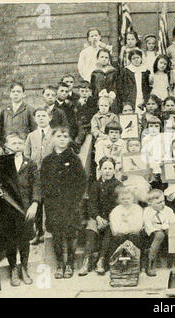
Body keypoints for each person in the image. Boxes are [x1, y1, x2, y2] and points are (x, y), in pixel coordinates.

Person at [40, 126, 86, 279]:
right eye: (59, 136)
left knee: (71, 234)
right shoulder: (47, 160)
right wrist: (49, 199)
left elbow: (81, 181)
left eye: (65, 136)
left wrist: (75, 200)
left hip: (70, 204)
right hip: (53, 204)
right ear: (53, 139)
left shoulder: (74, 159)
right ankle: (60, 264)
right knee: (57, 234)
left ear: (69, 140)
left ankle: (70, 265)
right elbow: (43, 182)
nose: (61, 139)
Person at [4, 133, 41, 286]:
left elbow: (37, 185)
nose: (17, 145)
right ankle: (13, 268)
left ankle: (24, 268)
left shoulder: (30, 163)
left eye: (19, 143)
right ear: (6, 146)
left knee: (24, 239)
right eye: (13, 143)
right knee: (10, 239)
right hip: (8, 207)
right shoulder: (2, 164)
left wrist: (35, 203)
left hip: (26, 207)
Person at [78, 157, 122, 276]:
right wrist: (97, 217)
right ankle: (87, 261)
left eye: (110, 168)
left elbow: (117, 206)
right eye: (105, 168)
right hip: (97, 217)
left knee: (109, 232)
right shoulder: (95, 185)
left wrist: (108, 219)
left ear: (114, 170)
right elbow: (91, 203)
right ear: (100, 170)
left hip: (111, 219)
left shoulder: (118, 185)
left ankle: (101, 261)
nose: (107, 171)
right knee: (91, 229)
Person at [24, 107, 55, 245]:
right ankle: (38, 233)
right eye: (39, 116)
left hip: (51, 175)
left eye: (44, 115)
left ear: (50, 117)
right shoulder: (31, 136)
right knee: (37, 203)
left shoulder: (56, 134)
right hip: (35, 176)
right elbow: (26, 155)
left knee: (50, 204)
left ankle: (50, 232)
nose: (41, 118)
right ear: (35, 119)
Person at [142, 189, 175, 276]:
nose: (163, 204)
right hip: (152, 233)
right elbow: (147, 224)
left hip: (166, 229)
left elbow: (174, 222)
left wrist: (166, 227)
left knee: (171, 233)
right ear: (150, 203)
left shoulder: (168, 210)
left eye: (163, 201)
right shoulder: (147, 211)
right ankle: (151, 261)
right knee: (159, 234)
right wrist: (156, 229)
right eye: (159, 202)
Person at [106, 185, 145, 260]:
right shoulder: (116, 211)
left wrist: (128, 223)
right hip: (120, 234)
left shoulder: (137, 209)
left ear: (133, 198)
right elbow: (115, 227)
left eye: (128, 198)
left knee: (135, 239)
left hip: (134, 234)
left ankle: (136, 262)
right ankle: (115, 263)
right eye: (123, 199)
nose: (126, 200)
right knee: (115, 241)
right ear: (118, 200)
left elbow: (138, 225)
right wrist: (123, 230)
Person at [120, 49, 151, 115]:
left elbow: (147, 86)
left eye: (138, 57)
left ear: (141, 58)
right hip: (131, 97)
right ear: (130, 60)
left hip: (143, 96)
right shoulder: (126, 71)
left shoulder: (146, 71)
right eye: (133, 58)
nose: (136, 60)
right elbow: (123, 86)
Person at [90, 48, 120, 114]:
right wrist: (98, 93)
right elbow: (93, 87)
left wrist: (113, 92)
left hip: (112, 99)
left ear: (109, 59)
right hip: (99, 99)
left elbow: (117, 85)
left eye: (106, 57)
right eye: (102, 57)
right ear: (98, 58)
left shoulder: (114, 72)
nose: (104, 59)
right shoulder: (95, 73)